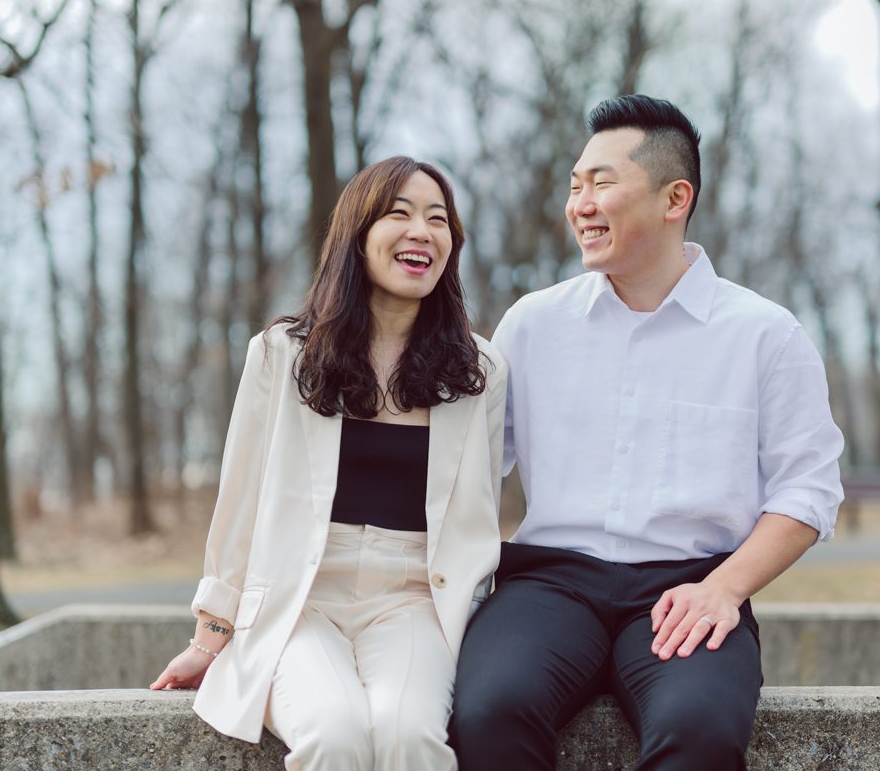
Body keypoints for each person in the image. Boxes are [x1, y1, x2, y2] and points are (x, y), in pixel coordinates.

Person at [449, 95, 844, 770]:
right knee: (488, 709)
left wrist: (725, 587)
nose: (580, 204)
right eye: (575, 187)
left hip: (692, 585)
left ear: (674, 198)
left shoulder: (764, 334)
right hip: (548, 585)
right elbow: (462, 465)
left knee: (701, 732)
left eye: (602, 183)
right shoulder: (532, 324)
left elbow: (807, 490)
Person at [151, 156, 507, 771]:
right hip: (300, 598)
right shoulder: (283, 352)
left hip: (413, 599)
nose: (422, 231)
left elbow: (482, 514)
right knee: (334, 735)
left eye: (438, 219)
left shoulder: (478, 371)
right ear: (358, 235)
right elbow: (239, 500)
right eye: (399, 214)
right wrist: (210, 637)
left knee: (410, 737)